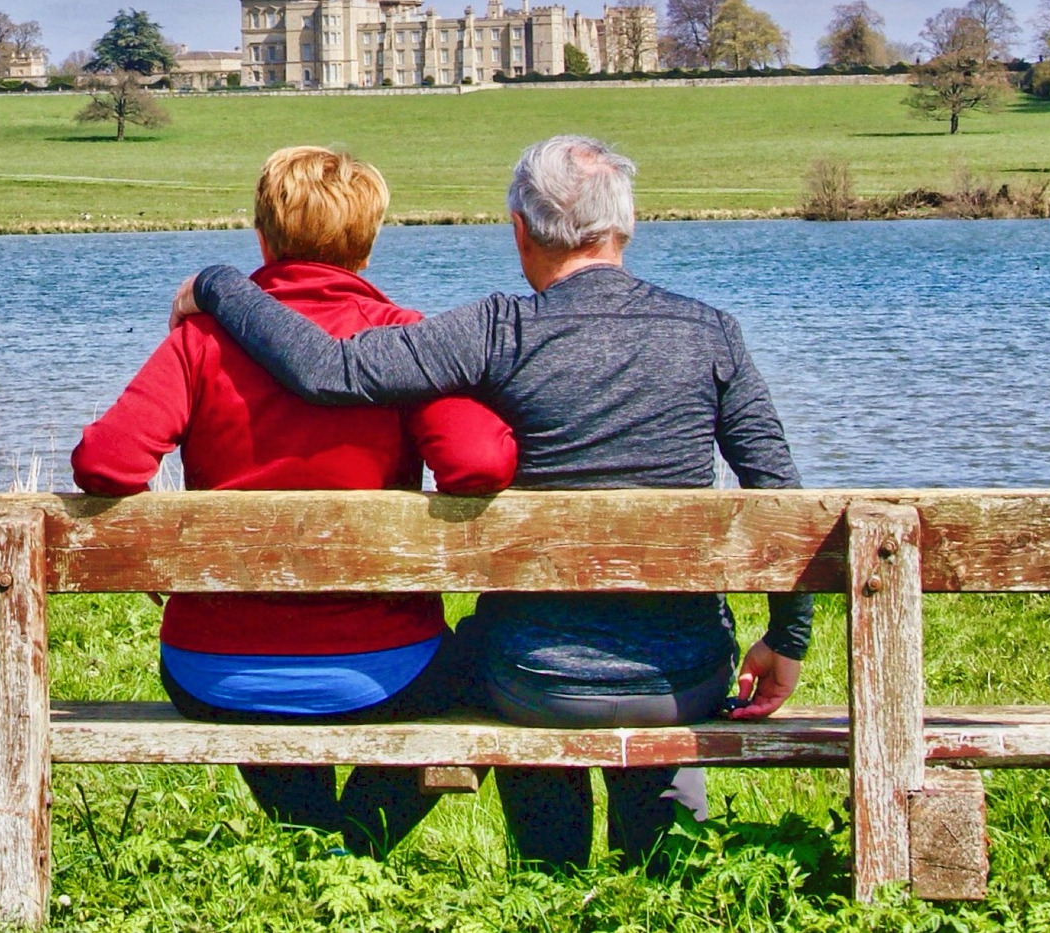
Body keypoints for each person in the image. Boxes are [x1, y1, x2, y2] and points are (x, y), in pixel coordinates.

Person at [169, 134, 814, 873]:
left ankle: (548, 875)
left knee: (495, 645)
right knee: (644, 658)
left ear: (518, 229)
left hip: (530, 678)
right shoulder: (710, 334)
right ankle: (659, 873)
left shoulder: (497, 331)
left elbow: (328, 368)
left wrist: (220, 283)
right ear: (623, 227)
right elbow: (777, 494)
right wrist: (786, 639)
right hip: (684, 678)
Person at [72, 145, 517, 858]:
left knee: (276, 685)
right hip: (384, 664)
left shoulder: (201, 342)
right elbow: (476, 461)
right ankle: (349, 853)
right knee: (491, 669)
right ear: (367, 246)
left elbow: (105, 461)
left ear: (262, 237)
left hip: (212, 667)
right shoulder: (402, 337)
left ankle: (316, 847)